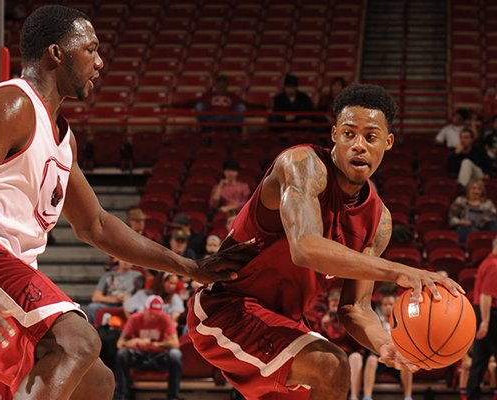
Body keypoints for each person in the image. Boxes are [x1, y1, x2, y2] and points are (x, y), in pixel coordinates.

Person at [0, 6, 248, 399]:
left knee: (95, 384)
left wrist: (190, 267)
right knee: (78, 341)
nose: (99, 63)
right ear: (56, 53)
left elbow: (96, 224)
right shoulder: (11, 106)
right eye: (91, 49)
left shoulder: (64, 140)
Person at [186, 84, 463, 400]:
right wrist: (398, 271)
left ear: (387, 143)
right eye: (349, 134)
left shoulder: (379, 220)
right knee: (331, 365)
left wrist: (385, 343)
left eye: (370, 137)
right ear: (334, 134)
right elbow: (306, 247)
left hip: (284, 324)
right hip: (227, 308)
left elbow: (354, 308)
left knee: (326, 371)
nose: (358, 145)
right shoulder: (301, 164)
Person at [114, 295, 182, 400]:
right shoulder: (135, 318)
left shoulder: (164, 318)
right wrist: (136, 342)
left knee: (175, 355)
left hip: (158, 356)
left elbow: (175, 344)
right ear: (145, 309)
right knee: (122, 354)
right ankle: (122, 396)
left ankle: (173, 397)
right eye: (151, 313)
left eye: (156, 314)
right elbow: (120, 343)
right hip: (139, 356)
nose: (154, 317)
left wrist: (156, 344)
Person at [362, 289, 413, 400]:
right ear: (381, 306)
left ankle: (408, 397)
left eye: (391, 304)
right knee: (370, 360)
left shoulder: (403, 321)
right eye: (385, 304)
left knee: (406, 360)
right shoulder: (376, 321)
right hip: (380, 359)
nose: (388, 307)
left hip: (396, 358)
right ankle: (367, 397)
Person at [466, 235, 497, 400]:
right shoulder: (493, 265)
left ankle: (472, 394)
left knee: (480, 358)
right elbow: (486, 295)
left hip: (482, 313)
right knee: (481, 357)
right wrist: (485, 322)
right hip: (489, 314)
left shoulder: (487, 261)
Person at [320, 289, 365, 400]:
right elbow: (318, 342)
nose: (335, 309)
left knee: (356, 357)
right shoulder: (323, 320)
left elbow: (356, 343)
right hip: (331, 352)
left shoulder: (348, 317)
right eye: (333, 305)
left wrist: (346, 325)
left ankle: (354, 397)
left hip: (349, 351)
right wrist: (323, 328)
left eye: (337, 305)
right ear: (329, 305)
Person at [85, 257, 144, 325]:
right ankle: (96, 330)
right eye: (123, 258)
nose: (126, 262)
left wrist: (127, 299)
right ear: (117, 259)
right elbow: (95, 297)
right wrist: (115, 299)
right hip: (109, 304)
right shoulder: (108, 275)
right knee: (92, 307)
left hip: (129, 303)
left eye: (129, 259)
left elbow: (141, 294)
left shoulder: (138, 275)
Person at [449, 178, 497, 243]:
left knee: (494, 223)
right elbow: (452, 218)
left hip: (483, 227)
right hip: (466, 228)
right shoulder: (460, 201)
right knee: (465, 229)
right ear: (468, 189)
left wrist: (489, 219)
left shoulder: (488, 203)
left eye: (479, 189)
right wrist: (461, 222)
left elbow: (494, 217)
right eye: (473, 188)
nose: (476, 191)